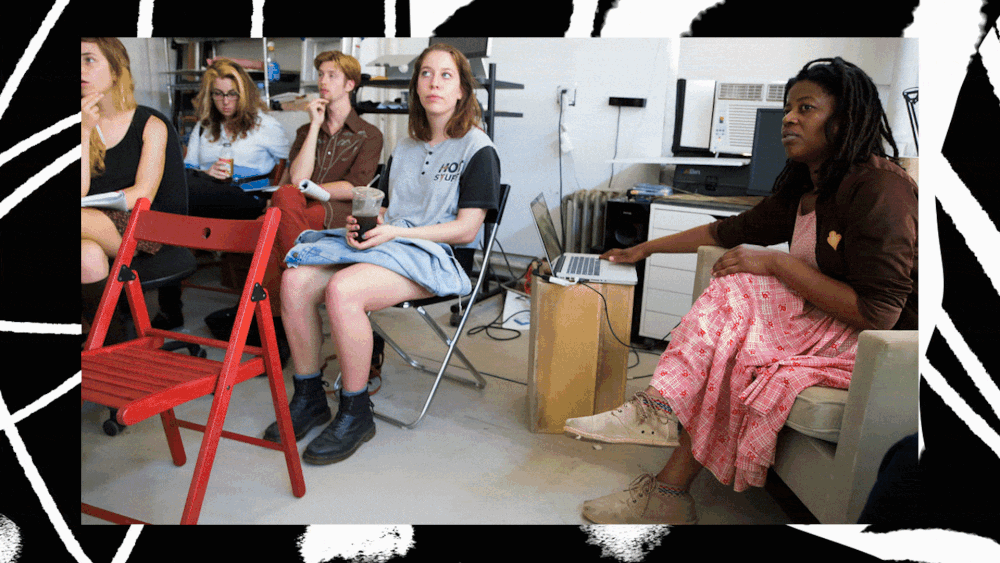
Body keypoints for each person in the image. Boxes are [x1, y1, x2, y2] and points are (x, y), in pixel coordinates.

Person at [564, 57, 918, 524]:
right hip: (829, 324)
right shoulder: (810, 186)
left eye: (806, 108)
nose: (788, 119)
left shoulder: (881, 189)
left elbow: (880, 313)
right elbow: (728, 231)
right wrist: (644, 249)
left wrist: (776, 262)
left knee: (745, 288)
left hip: (879, 345)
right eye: (788, 108)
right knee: (737, 315)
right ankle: (664, 458)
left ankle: (661, 428)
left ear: (845, 118)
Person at [263, 44, 501, 465]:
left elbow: (467, 230)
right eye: (426, 74)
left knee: (344, 289)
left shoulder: (478, 148)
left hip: (438, 256)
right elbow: (389, 209)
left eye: (446, 75)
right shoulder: (406, 147)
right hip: (392, 244)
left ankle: (355, 411)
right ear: (417, 86)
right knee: (295, 279)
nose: (434, 83)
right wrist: (366, 225)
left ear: (462, 90)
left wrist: (395, 232)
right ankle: (309, 395)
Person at [257, 50, 384, 390]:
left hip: (338, 209)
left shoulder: (369, 134)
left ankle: (277, 326)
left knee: (276, 220)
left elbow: (355, 187)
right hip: (300, 210)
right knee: (284, 202)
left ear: (350, 84)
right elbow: (296, 178)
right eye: (321, 75)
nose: (322, 81)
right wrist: (314, 125)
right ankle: (294, 278)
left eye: (331, 75)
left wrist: (311, 191)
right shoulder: (305, 130)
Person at [81, 38, 185, 340]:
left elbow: (143, 195)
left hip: (140, 225)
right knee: (87, 256)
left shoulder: (150, 123)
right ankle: (111, 342)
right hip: (90, 224)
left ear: (115, 71)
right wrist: (84, 131)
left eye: (89, 60)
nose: (80, 69)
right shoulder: (78, 123)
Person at [185, 59, 290, 219]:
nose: (225, 101)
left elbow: (289, 165)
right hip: (210, 194)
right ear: (210, 96)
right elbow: (188, 169)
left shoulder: (265, 125)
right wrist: (206, 173)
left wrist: (277, 200)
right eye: (218, 94)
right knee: (182, 187)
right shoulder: (203, 126)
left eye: (232, 94)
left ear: (243, 94)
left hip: (250, 196)